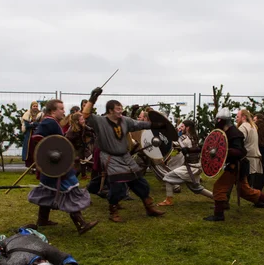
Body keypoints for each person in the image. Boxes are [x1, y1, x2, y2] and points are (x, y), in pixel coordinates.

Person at [82, 88, 166, 223]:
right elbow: (85, 115)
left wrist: (158, 125)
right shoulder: (100, 121)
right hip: (110, 157)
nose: (120, 111)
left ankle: (149, 207)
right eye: (117, 109)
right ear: (110, 110)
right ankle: (113, 211)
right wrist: (93, 98)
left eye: (121, 108)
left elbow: (140, 124)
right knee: (118, 186)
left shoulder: (125, 121)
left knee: (140, 182)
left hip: (125, 156)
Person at [27, 99, 98, 235]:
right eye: (61, 109)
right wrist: (55, 156)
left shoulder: (51, 122)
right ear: (53, 111)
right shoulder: (49, 122)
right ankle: (80, 223)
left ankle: (42, 219)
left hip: (53, 165)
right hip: (56, 165)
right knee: (69, 190)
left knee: (48, 191)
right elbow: (37, 139)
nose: (64, 111)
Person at [204, 108, 264, 221]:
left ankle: (219, 214)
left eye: (219, 120)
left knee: (219, 187)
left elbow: (240, 151)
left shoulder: (235, 133)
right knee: (245, 191)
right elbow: (209, 147)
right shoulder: (226, 132)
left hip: (237, 165)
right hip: (238, 165)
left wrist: (223, 151)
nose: (217, 122)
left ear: (224, 120)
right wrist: (190, 150)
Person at [157, 120, 212, 206]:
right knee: (196, 188)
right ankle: (217, 198)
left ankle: (168, 200)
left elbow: (174, 144)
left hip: (190, 168)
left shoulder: (184, 138)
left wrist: (164, 138)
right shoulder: (194, 137)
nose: (180, 128)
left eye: (182, 127)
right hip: (196, 166)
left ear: (188, 128)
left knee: (167, 177)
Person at [236, 109, 264, 193]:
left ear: (244, 117)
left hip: (248, 159)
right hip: (254, 158)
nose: (236, 119)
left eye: (238, 117)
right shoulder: (253, 126)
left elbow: (239, 142)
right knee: (249, 185)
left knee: (245, 187)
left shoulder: (243, 127)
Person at [66, 112, 95, 179]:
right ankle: (69, 181)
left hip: (83, 149)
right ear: (77, 121)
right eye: (82, 119)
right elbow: (67, 142)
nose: (83, 121)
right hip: (75, 151)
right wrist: (73, 156)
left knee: (92, 163)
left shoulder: (83, 126)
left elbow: (91, 131)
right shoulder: (71, 132)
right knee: (77, 170)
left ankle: (88, 177)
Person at [21, 101, 42, 166]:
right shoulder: (27, 114)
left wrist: (33, 123)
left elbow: (40, 124)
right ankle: (30, 166)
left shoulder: (40, 114)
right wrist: (35, 124)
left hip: (37, 134)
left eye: (36, 106)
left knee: (37, 149)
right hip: (29, 134)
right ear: (31, 107)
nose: (35, 107)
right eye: (34, 106)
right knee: (29, 150)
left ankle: (37, 165)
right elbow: (27, 125)